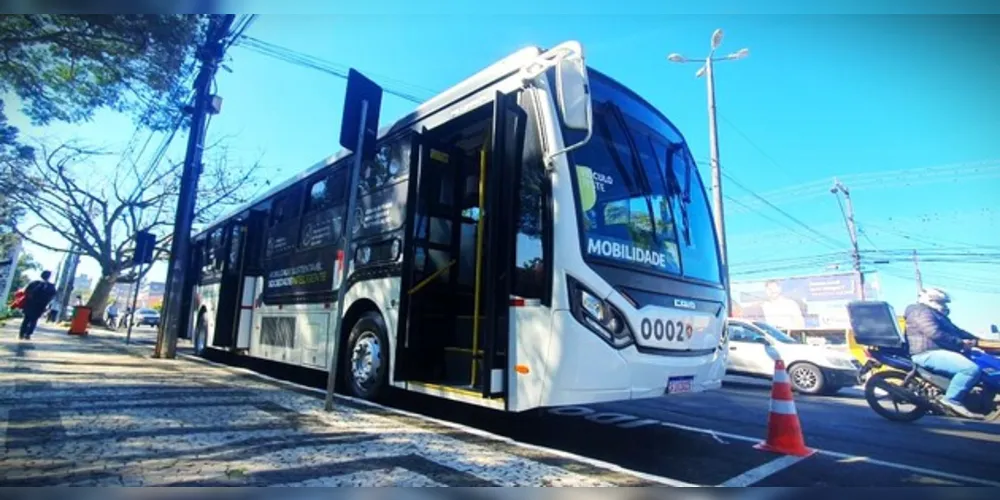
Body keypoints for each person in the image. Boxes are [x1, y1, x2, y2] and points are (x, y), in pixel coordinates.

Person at [904, 287, 985, 418]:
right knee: (970, 370)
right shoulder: (920, 311)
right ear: (929, 299)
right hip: (927, 352)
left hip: (939, 351)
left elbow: (957, 331)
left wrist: (980, 340)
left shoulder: (937, 314)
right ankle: (951, 400)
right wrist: (961, 343)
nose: (943, 306)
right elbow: (934, 333)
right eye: (940, 302)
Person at [19, 270, 58, 340]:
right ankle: (28, 334)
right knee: (34, 320)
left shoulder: (34, 283)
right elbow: (53, 295)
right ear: (49, 277)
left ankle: (21, 334)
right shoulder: (51, 286)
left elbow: (26, 291)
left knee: (26, 320)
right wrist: (46, 302)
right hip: (40, 306)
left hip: (30, 304)